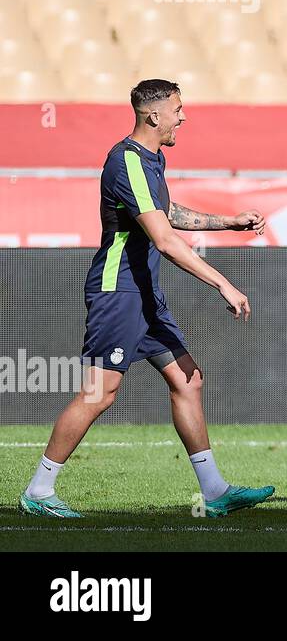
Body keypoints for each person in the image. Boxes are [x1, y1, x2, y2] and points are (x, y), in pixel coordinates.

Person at [20, 79, 273, 520]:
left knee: (188, 380)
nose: (184, 116)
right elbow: (165, 239)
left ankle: (214, 492)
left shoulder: (152, 159)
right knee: (99, 393)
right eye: (178, 108)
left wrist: (228, 222)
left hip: (143, 294)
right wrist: (223, 283)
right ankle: (39, 490)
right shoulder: (124, 161)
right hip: (118, 292)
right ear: (153, 115)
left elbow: (166, 212)